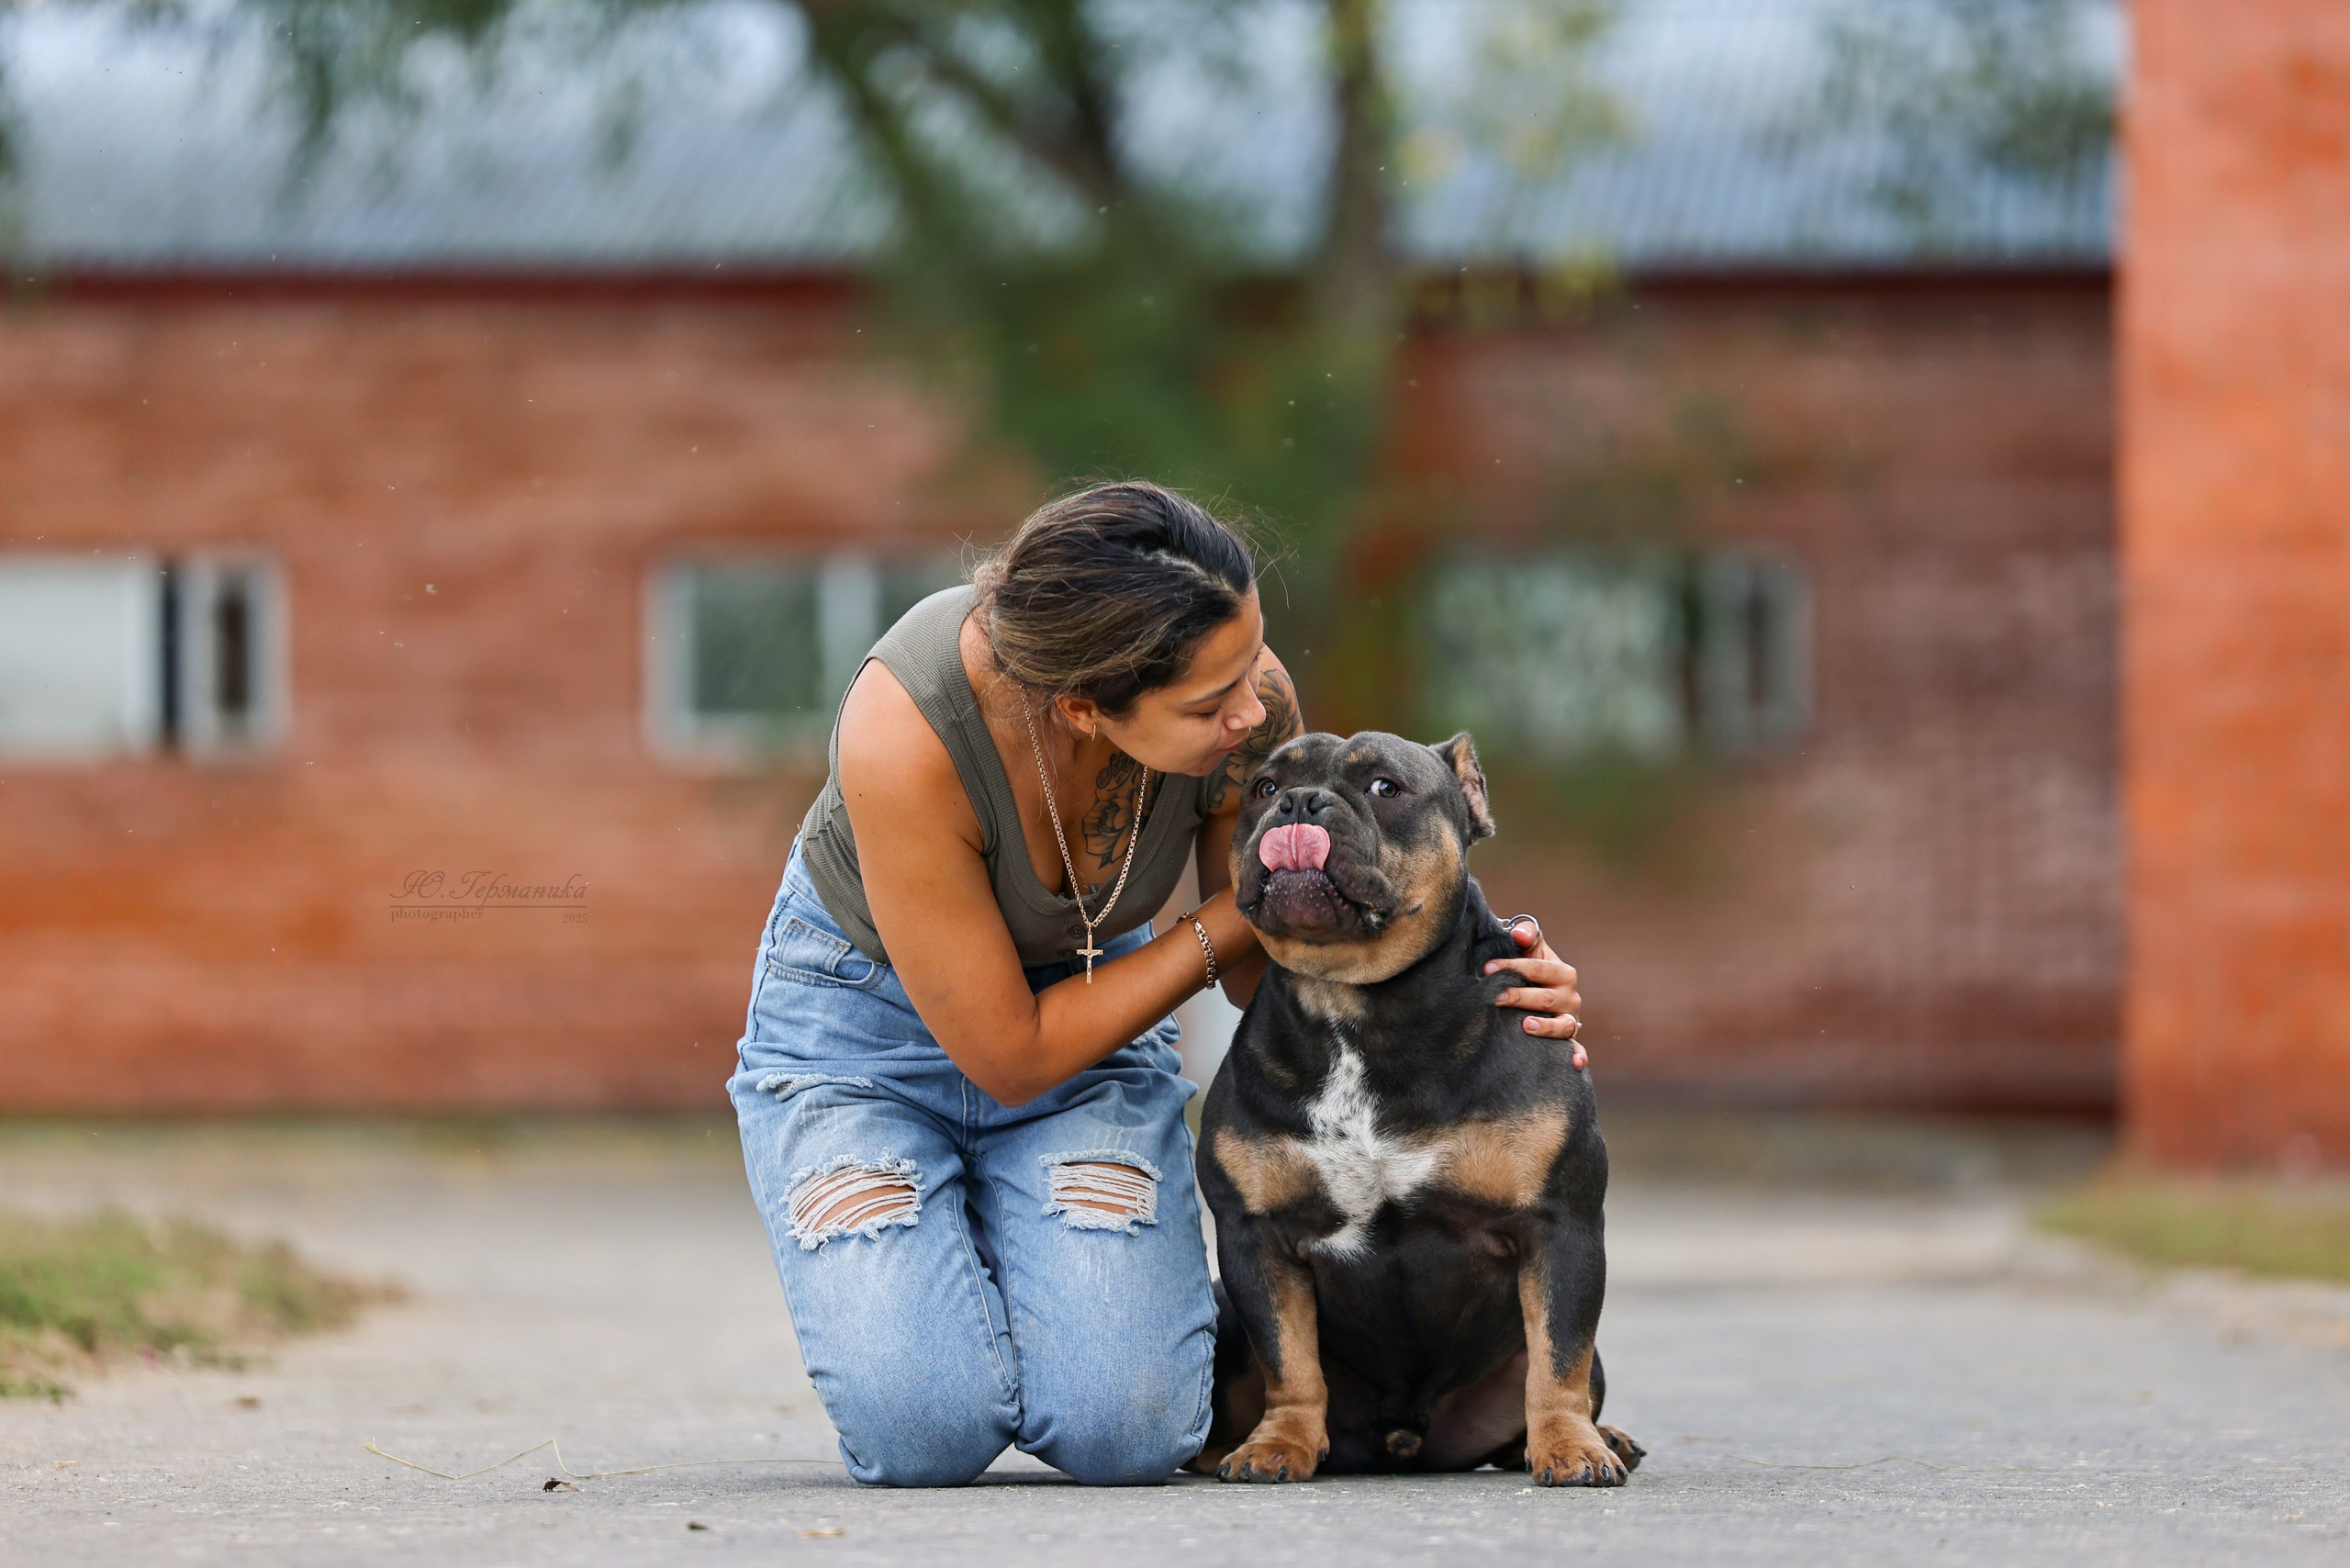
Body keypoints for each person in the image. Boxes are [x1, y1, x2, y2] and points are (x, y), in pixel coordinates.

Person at [727, 480, 1587, 1487]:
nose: (1252, 711)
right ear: (1085, 706)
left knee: (1127, 1433)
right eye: (1209, 703)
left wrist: (1479, 969)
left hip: (1099, 1005)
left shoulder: (1244, 695)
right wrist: (1241, 906)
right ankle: (951, 1232)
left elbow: (1262, 975)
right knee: (923, 1431)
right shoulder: (903, 734)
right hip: (864, 1042)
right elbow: (1012, 1055)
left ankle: (1030, 1237)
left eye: (1251, 665)